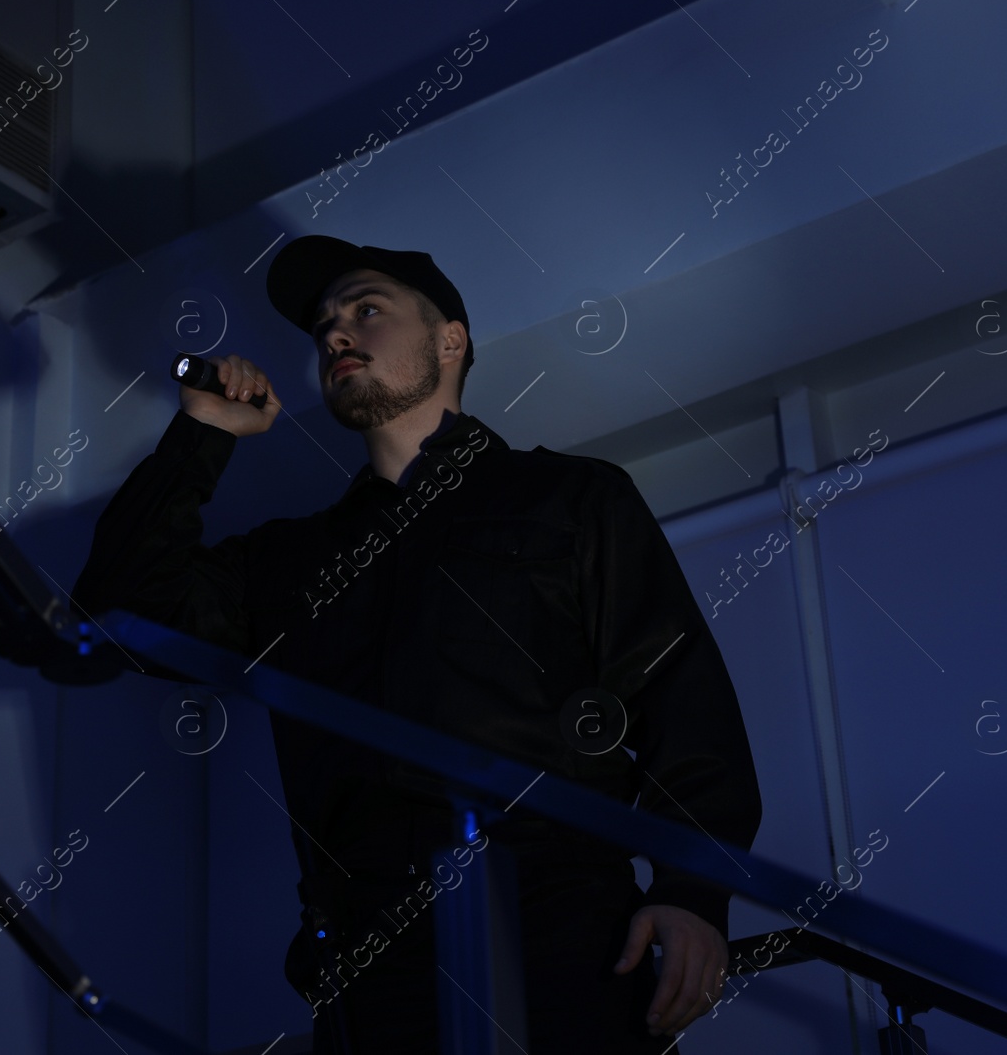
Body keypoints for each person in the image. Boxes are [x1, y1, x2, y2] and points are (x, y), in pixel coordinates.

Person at [69, 235, 761, 1052]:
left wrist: (692, 892)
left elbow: (681, 700)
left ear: (449, 340)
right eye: (324, 325)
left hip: (559, 937)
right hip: (367, 967)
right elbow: (113, 616)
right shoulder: (291, 560)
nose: (335, 333)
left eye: (366, 309)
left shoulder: (570, 498)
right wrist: (201, 436)